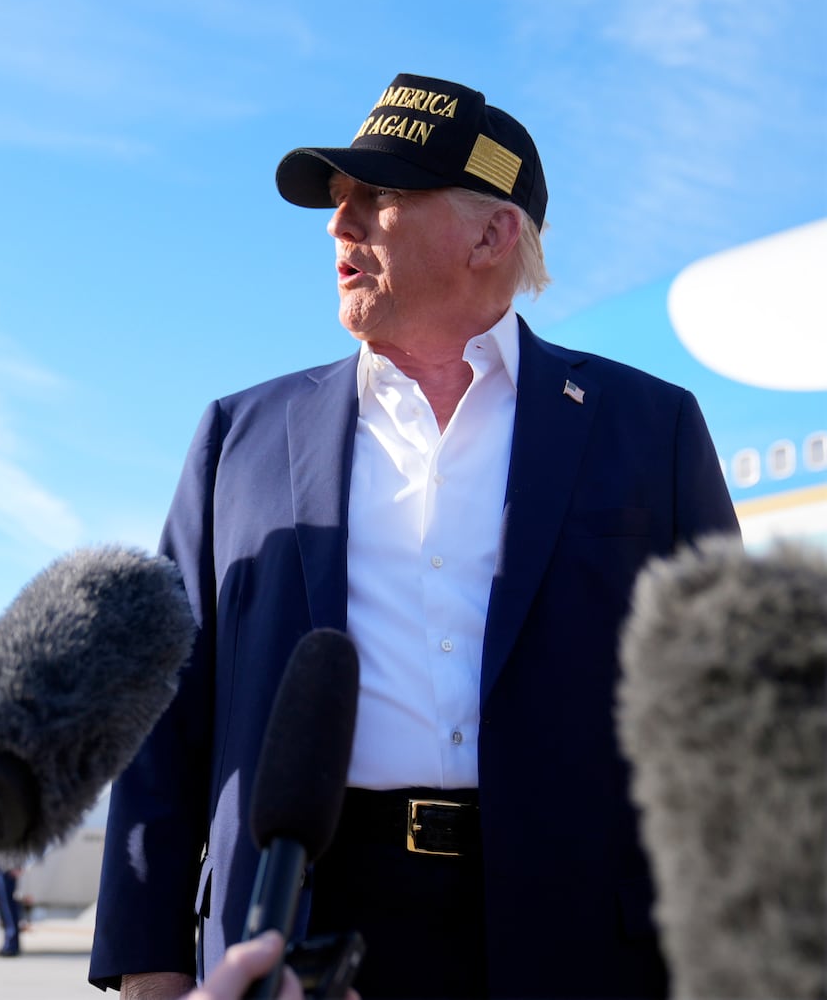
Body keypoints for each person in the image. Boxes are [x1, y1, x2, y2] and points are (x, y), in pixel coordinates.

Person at [89, 73, 739, 999]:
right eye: (338, 202)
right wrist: (150, 969)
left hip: (581, 933)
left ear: (492, 231)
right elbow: (163, 721)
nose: (338, 226)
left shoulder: (650, 427)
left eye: (380, 197)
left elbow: (731, 719)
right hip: (299, 922)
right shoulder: (239, 437)